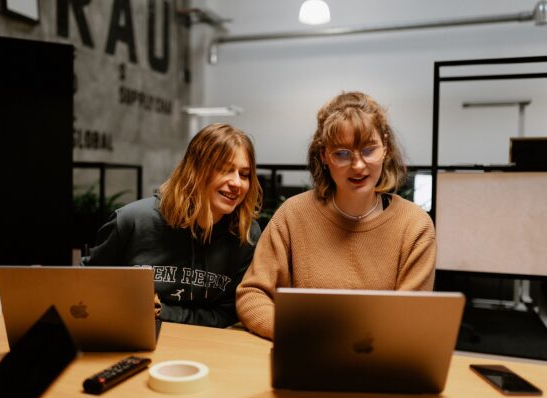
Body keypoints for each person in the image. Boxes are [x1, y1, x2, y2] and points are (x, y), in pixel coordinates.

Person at [236, 91, 436, 339]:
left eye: (369, 150)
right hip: (303, 357)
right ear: (324, 156)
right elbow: (252, 294)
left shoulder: (414, 226)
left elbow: (409, 319)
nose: (358, 165)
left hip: (377, 365)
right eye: (342, 153)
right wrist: (299, 334)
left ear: (385, 147)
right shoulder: (293, 215)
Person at [83, 123, 262, 328]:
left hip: (204, 344)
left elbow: (227, 313)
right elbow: (87, 287)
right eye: (224, 169)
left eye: (244, 174)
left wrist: (162, 312)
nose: (237, 183)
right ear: (194, 170)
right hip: (128, 334)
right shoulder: (131, 221)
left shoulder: (246, 234)